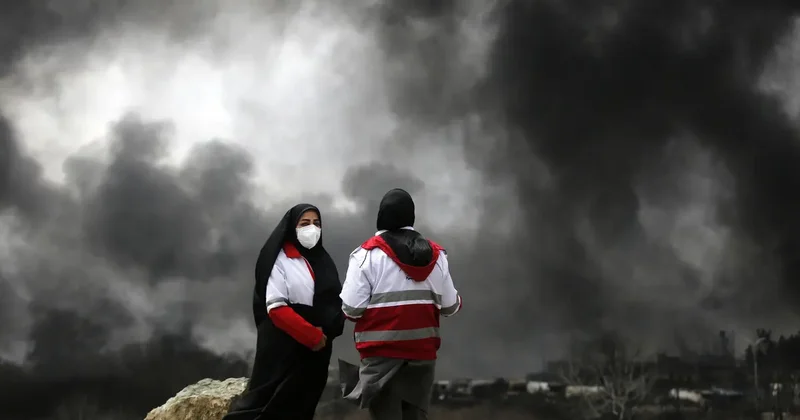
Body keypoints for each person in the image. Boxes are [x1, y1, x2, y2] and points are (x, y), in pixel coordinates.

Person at [339, 188, 462, 420]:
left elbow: (351, 310)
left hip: (380, 361)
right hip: (422, 359)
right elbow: (450, 306)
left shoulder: (365, 256)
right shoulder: (438, 256)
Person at [224, 204, 345, 420]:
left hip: (315, 355)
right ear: (292, 227)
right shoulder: (279, 260)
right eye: (305, 223)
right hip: (283, 350)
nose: (312, 229)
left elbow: (334, 301)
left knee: (301, 408)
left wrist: (329, 329)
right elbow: (276, 308)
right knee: (264, 406)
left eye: (317, 224)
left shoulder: (323, 261)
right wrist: (313, 336)